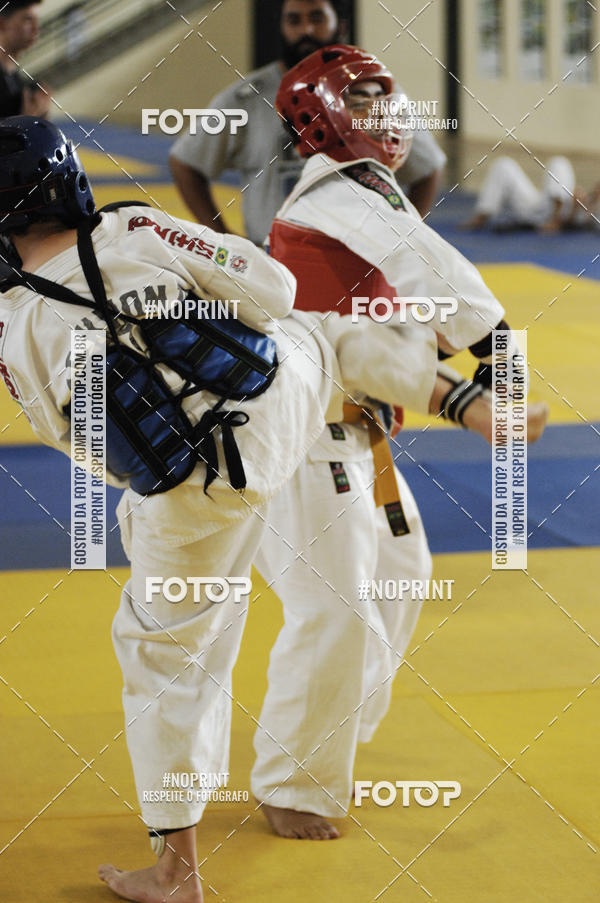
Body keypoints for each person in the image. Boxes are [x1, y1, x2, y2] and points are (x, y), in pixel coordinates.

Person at [0, 115, 466, 902]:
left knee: (166, 656)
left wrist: (160, 497)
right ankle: (441, 390)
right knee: (316, 330)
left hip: (196, 493)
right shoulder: (136, 227)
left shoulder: (15, 332)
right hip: (290, 408)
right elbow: (276, 287)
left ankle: (176, 873)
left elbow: (75, 439)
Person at [249, 44, 549, 840]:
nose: (392, 111)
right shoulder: (338, 192)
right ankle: (293, 781)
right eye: (369, 97)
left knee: (403, 573)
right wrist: (495, 358)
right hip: (300, 440)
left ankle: (330, 725)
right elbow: (439, 273)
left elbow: (399, 303)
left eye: (393, 94)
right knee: (335, 609)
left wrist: (449, 363)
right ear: (327, 118)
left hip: (352, 433)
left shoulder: (369, 196)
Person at [169, 0, 446, 244]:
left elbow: (428, 167)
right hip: (270, 260)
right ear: (280, 26)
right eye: (294, 20)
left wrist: (405, 234)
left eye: (317, 18)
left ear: (340, 23)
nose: (306, 31)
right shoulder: (245, 98)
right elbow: (185, 162)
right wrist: (222, 237)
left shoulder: (374, 93)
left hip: (357, 260)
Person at [464, 155, 579, 233]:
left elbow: (584, 219)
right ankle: (482, 216)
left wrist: (576, 208)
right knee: (504, 165)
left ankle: (555, 220)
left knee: (559, 163)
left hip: (558, 214)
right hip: (537, 210)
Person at [0, 1, 50, 118]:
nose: (36, 28)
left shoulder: (17, 81)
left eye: (37, 21)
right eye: (27, 20)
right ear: (2, 24)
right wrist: (26, 121)